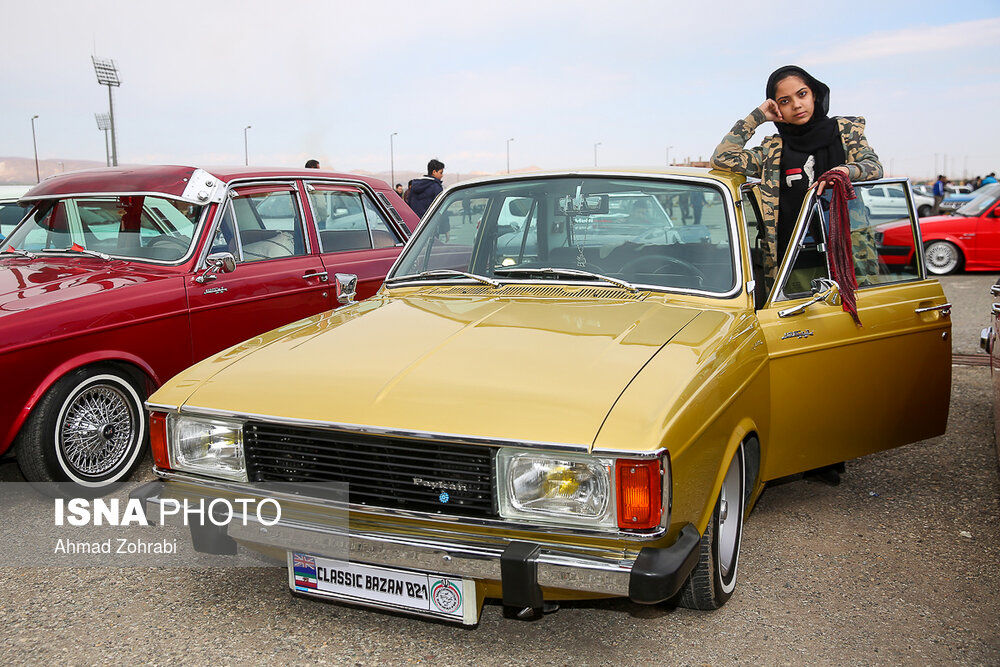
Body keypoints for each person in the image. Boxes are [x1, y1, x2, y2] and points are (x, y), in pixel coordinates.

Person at [711, 65, 883, 284]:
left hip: (849, 257)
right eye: (784, 101)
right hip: (793, 260)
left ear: (814, 94)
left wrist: (845, 171)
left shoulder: (845, 132)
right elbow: (722, 158)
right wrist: (757, 117)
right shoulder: (773, 151)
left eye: (802, 94)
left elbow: (874, 167)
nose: (796, 105)